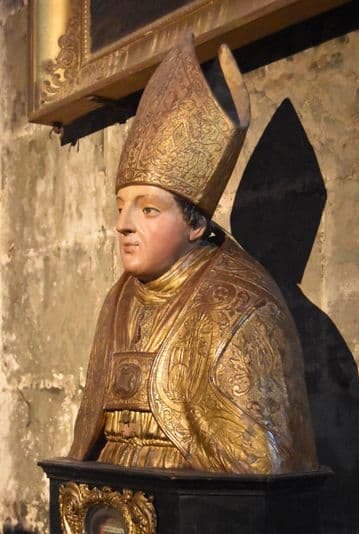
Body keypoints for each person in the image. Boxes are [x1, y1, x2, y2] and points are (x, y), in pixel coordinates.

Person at [68, 35, 317, 475]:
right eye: (120, 207)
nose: (123, 224)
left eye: (147, 209)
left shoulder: (242, 305)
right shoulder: (119, 299)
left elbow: (262, 467)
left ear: (195, 224)